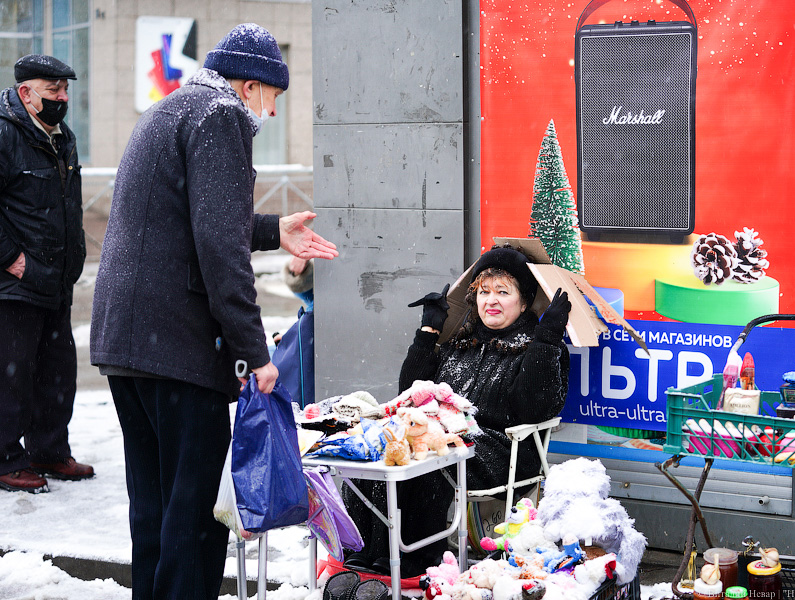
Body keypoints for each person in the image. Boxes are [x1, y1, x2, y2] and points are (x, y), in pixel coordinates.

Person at [89, 23, 338, 599]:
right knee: (197, 515)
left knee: (153, 507)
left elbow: (189, 217)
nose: (270, 115)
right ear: (250, 87)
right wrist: (256, 353)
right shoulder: (220, 115)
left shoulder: (172, 107)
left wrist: (275, 229)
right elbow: (219, 247)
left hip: (129, 343)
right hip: (177, 346)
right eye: (272, 99)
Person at [342, 244, 571, 577]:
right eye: (484, 291)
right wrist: (428, 333)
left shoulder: (539, 347)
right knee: (378, 454)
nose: (490, 300)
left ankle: (414, 559)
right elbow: (410, 391)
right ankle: (364, 552)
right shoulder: (460, 340)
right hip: (442, 436)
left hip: (501, 448)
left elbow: (533, 409)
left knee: (432, 462)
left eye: (503, 292)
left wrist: (547, 340)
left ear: (523, 302)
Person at [0, 54, 94, 494]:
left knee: (57, 373)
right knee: (11, 374)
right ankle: (5, 458)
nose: (63, 98)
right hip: (16, 283)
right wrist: (12, 260)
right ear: (25, 93)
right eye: (53, 90)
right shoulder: (4, 133)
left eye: (64, 89)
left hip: (56, 281)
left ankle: (49, 451)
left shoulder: (63, 138)